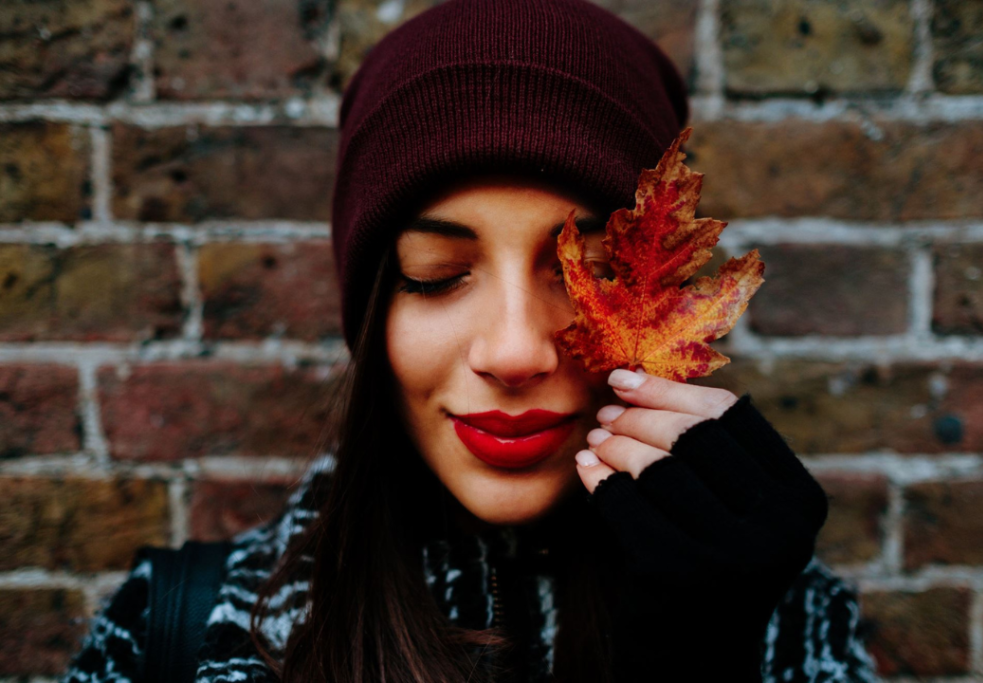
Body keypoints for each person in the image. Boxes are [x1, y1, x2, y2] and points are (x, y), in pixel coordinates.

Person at [62, 0, 879, 681]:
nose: (516, 350)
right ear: (374, 312)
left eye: (582, 269)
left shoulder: (789, 624)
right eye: (436, 271)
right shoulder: (171, 628)